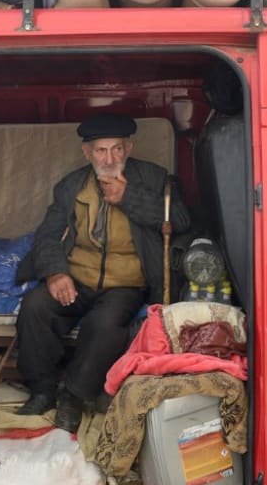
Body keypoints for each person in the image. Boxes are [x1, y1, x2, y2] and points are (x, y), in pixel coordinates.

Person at [14, 113, 190, 432]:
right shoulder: (71, 186)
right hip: (78, 277)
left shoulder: (155, 179)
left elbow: (180, 220)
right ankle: (42, 390)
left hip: (125, 283)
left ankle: (74, 395)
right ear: (86, 152)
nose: (109, 159)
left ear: (129, 148)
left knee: (105, 324)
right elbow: (48, 235)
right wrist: (56, 273)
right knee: (35, 307)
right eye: (100, 151)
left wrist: (129, 198)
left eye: (117, 149)